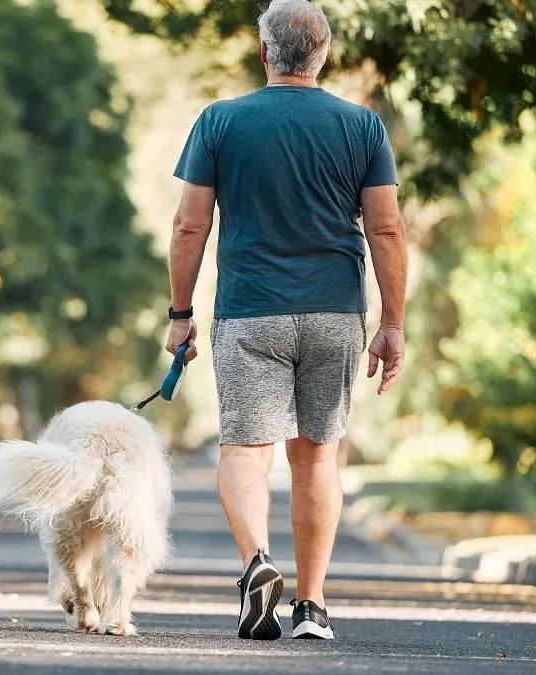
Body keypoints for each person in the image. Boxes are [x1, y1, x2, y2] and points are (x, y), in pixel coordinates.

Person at [163, 0, 408, 641]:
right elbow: (385, 228)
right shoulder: (362, 127)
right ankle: (313, 607)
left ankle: (256, 564)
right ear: (323, 54)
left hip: (250, 312)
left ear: (263, 50)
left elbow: (190, 224)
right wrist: (394, 322)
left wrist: (181, 314)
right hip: (335, 311)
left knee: (246, 450)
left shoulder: (220, 120)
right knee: (317, 457)